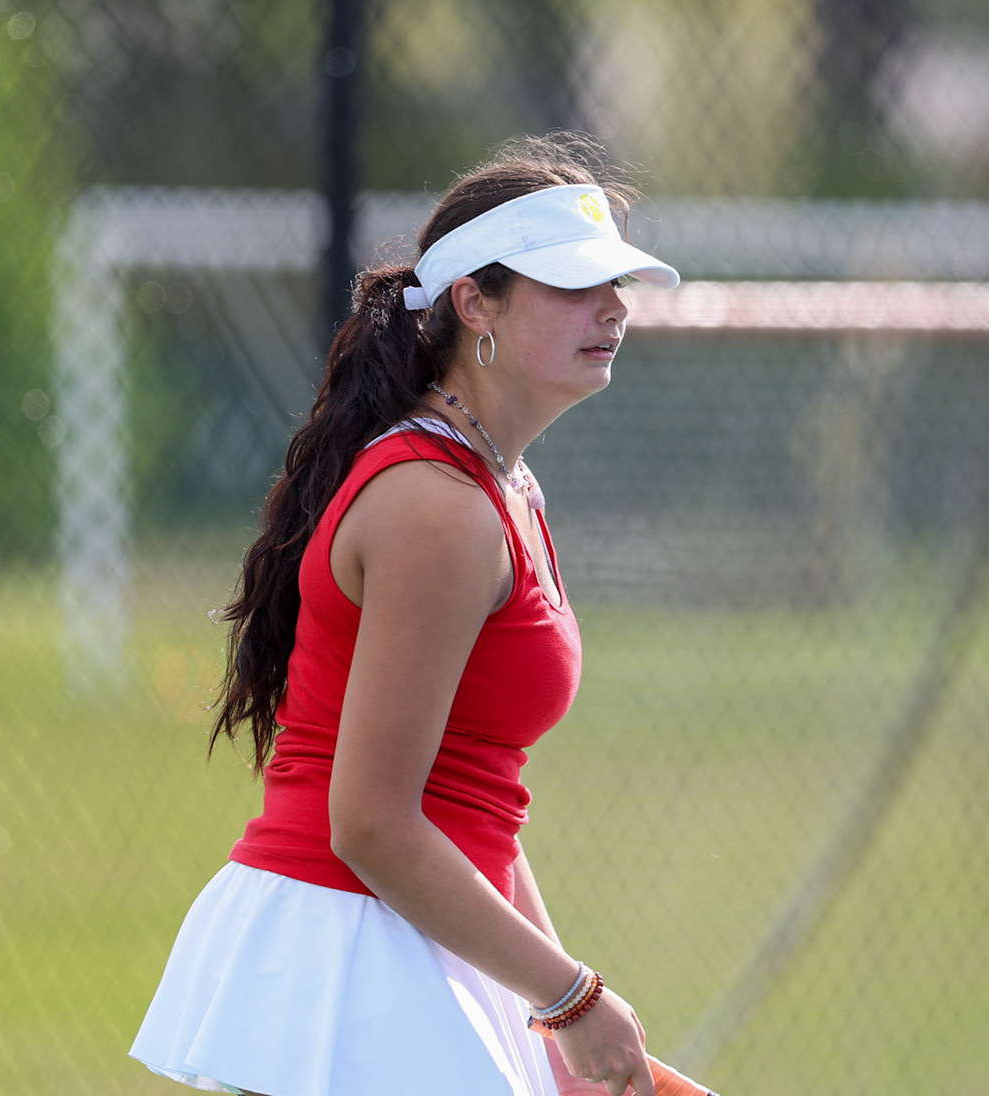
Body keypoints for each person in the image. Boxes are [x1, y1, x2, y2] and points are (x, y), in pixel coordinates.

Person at [129, 135, 681, 1096]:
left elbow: (477, 809)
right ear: (476, 302)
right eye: (574, 284)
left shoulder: (502, 488)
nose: (614, 307)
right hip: (354, 962)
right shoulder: (438, 506)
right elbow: (373, 824)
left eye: (618, 283)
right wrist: (570, 998)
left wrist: (559, 1022)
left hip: (409, 945)